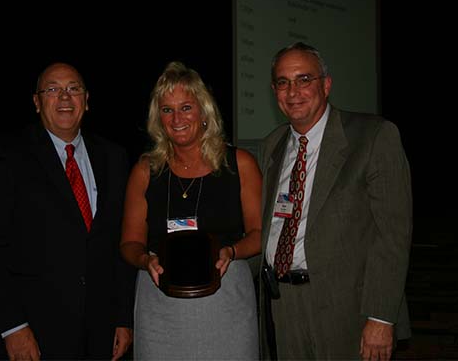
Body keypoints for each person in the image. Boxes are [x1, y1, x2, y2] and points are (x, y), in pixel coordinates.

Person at [259, 42, 413, 361]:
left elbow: (393, 236)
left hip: (348, 309)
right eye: (283, 82)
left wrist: (381, 317)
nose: (293, 91)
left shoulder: (373, 137)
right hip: (283, 306)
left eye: (304, 79)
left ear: (326, 85)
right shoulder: (272, 145)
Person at [0, 62, 137, 360]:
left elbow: (120, 245)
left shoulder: (114, 157)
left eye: (73, 89)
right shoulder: (8, 156)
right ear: (36, 102)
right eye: (53, 89)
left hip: (101, 333)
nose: (64, 97)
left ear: (86, 101)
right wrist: (12, 327)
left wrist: (124, 317)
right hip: (35, 334)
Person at [120, 61, 262, 360]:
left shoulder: (240, 164)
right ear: (158, 118)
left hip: (225, 299)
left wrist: (231, 252)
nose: (177, 118)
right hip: (160, 303)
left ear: (204, 112)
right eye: (167, 109)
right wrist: (145, 260)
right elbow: (129, 243)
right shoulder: (146, 170)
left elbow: (261, 234)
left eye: (186, 107)